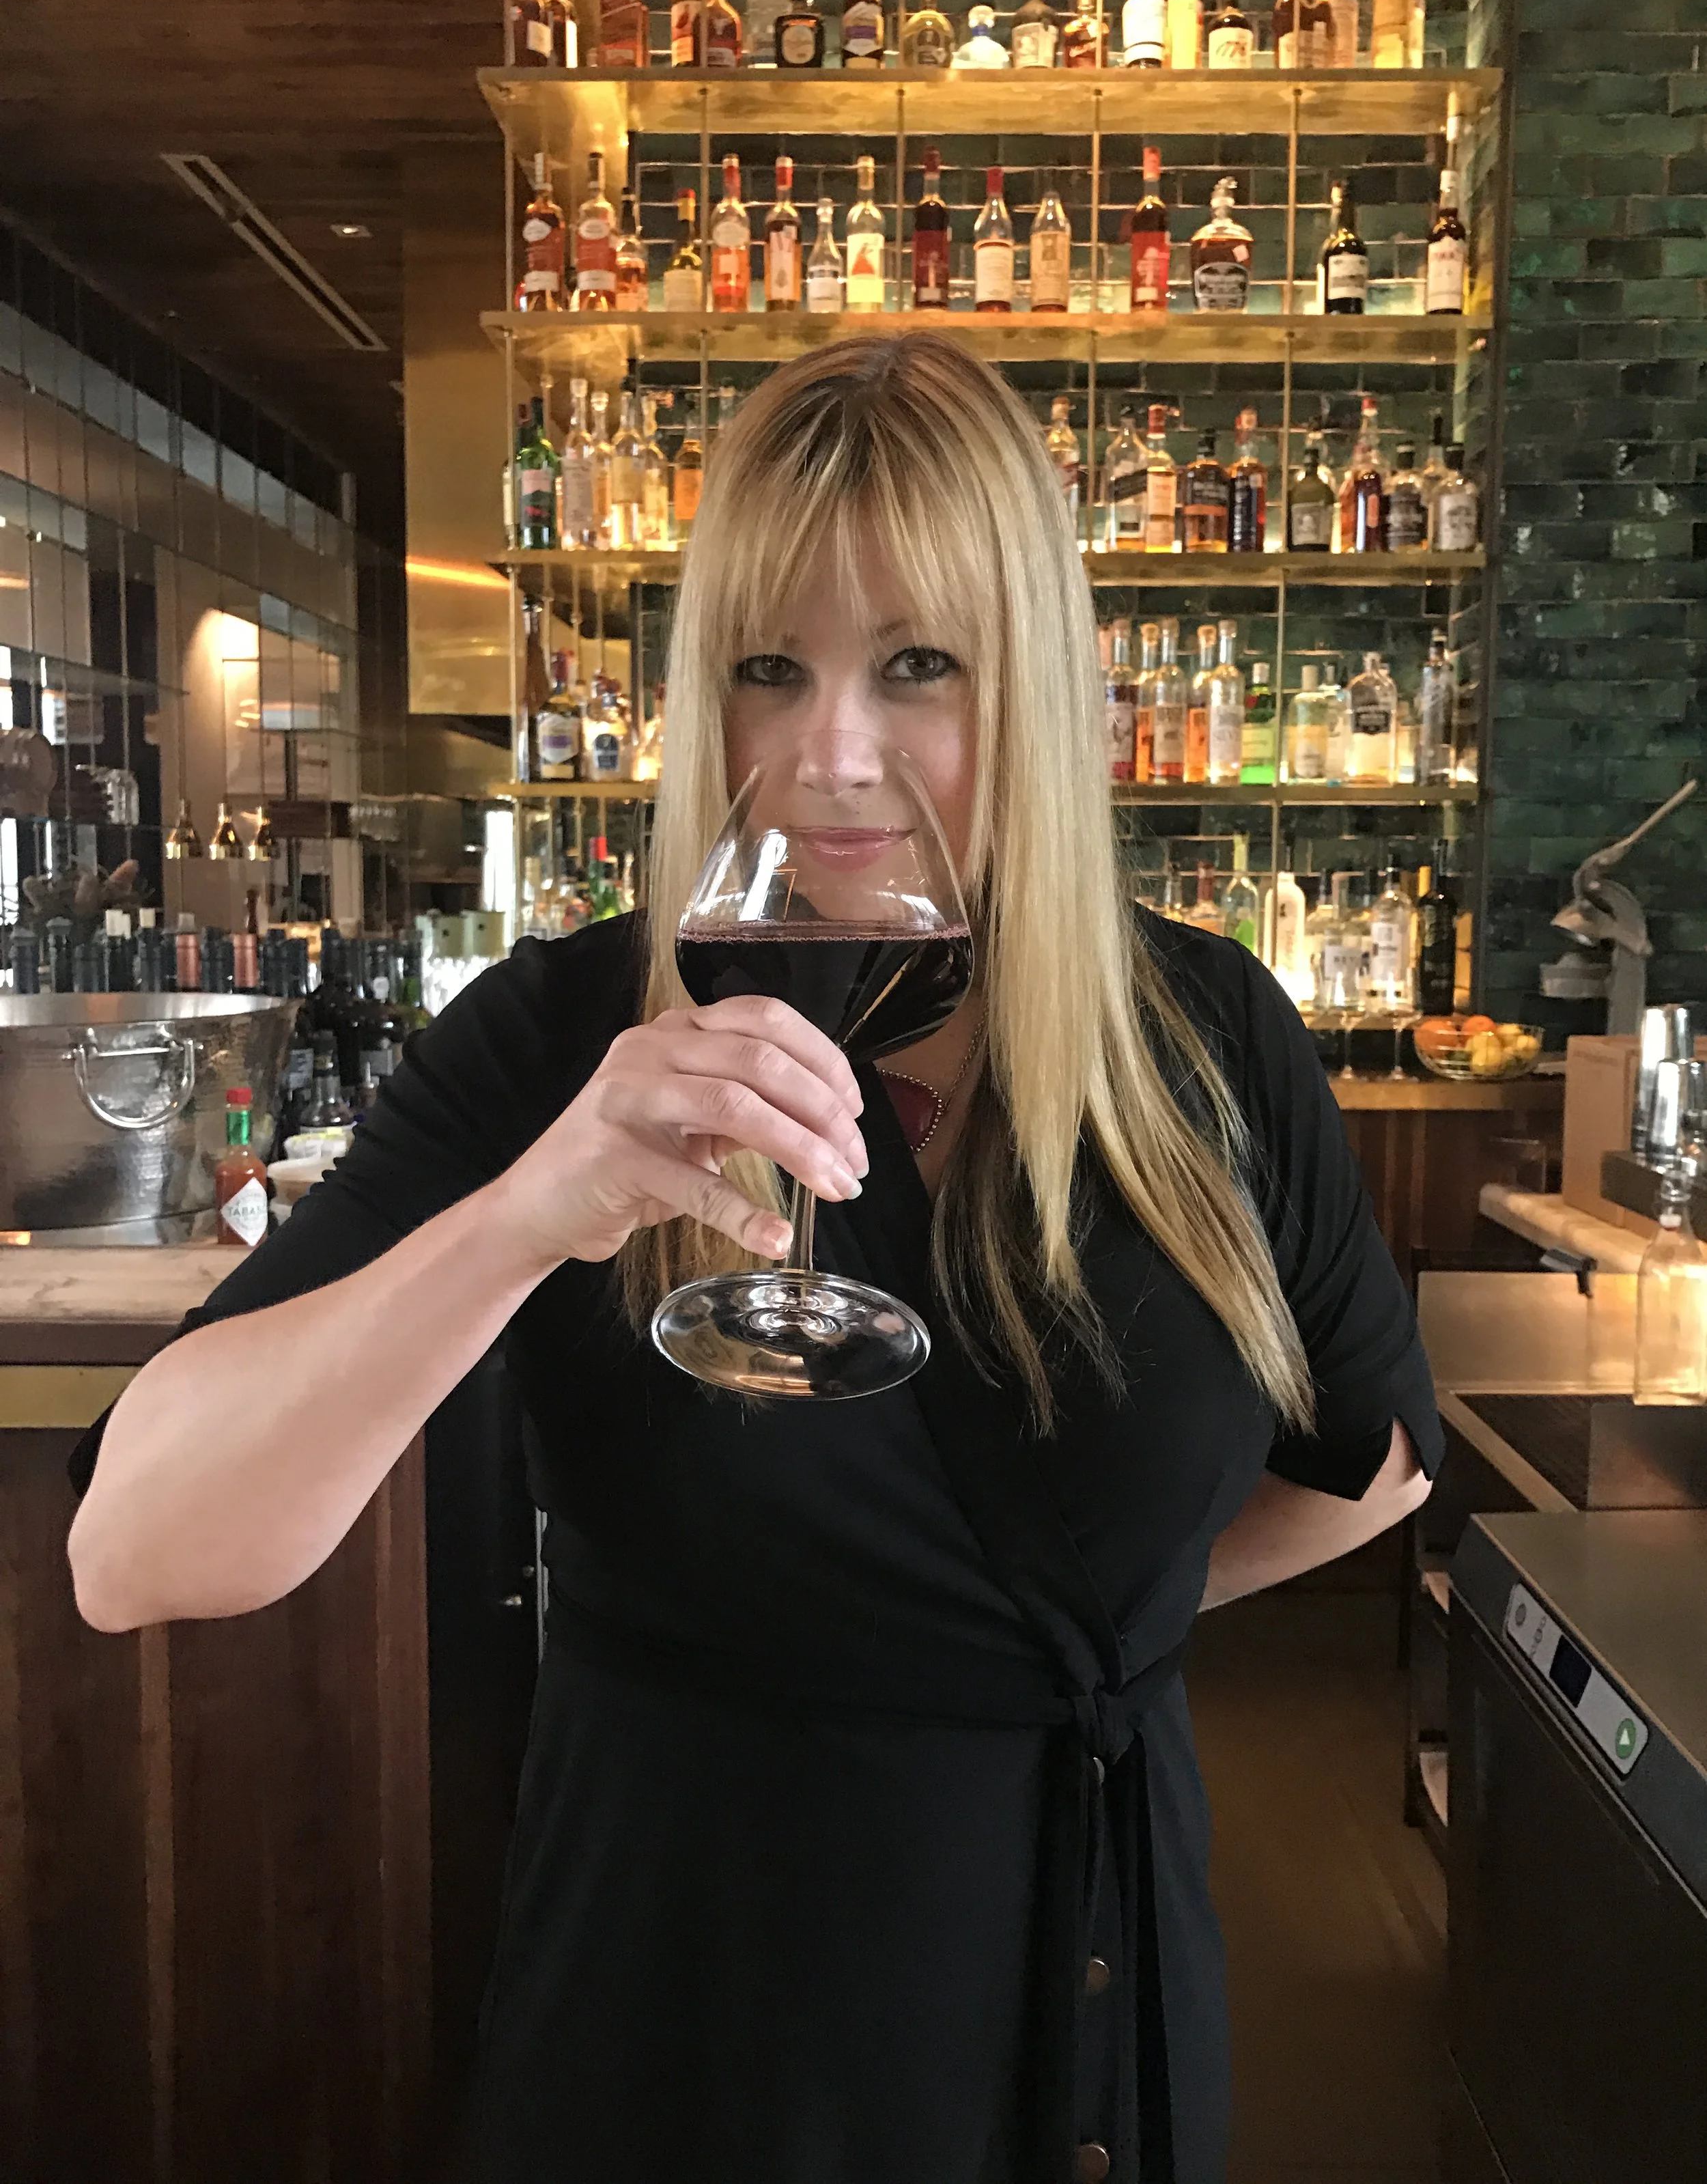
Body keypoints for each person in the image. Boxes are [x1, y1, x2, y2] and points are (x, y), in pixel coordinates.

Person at [68, 334, 1439, 2184]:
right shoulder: (561, 1039)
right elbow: (134, 1546)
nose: (828, 758)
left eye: (917, 667)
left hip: (1082, 2020)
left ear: (1033, 686)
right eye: (767, 669)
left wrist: (1087, 1628)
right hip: (684, 2040)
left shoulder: (1204, 1038)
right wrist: (530, 1213)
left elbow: (1374, 1459)